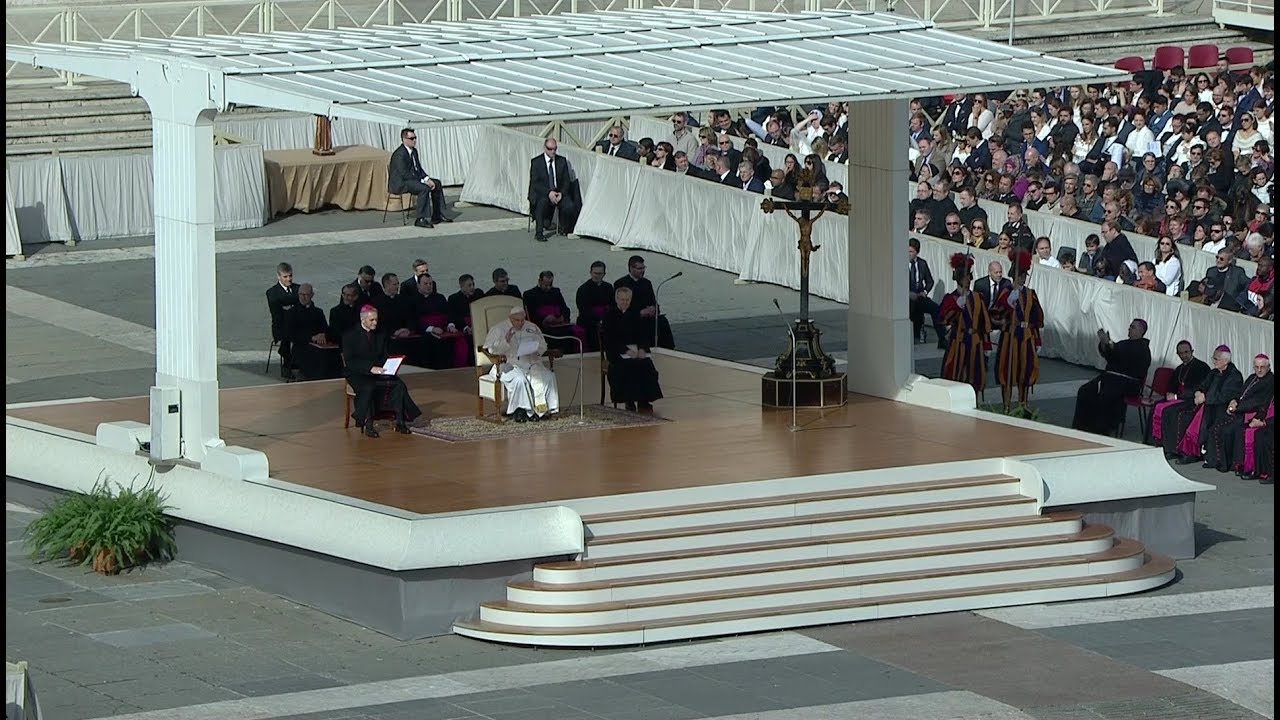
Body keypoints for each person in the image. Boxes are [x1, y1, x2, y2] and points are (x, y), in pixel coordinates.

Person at [342, 305, 422, 437]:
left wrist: (390, 365)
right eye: (371, 320)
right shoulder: (350, 335)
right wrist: (369, 368)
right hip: (358, 372)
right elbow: (350, 361)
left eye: (376, 320)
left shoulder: (381, 333)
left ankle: (400, 422)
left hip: (378, 370)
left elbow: (384, 355)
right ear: (363, 319)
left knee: (399, 385)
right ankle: (368, 425)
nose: (375, 323)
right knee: (368, 387)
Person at [1071, 319, 1153, 436]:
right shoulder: (1124, 343)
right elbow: (1111, 356)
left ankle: (1104, 429)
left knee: (1107, 394)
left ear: (1141, 331)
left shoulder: (1143, 349)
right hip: (1111, 378)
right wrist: (1105, 344)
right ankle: (1082, 426)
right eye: (1130, 326)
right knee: (1085, 390)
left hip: (1128, 382)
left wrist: (1110, 344)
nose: (1129, 329)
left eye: (1132, 327)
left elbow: (1124, 356)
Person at [482, 305, 560, 423]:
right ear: (510, 318)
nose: (520, 323)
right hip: (508, 365)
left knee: (548, 376)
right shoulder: (499, 329)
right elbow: (490, 350)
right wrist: (506, 341)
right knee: (519, 379)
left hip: (531, 363)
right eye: (516, 320)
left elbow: (543, 345)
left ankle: (543, 411)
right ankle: (521, 411)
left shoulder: (532, 327)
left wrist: (536, 349)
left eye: (522, 320)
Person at [1165, 345, 1243, 463]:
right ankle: (1174, 449)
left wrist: (1205, 397)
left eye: (1216, 359)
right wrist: (1198, 392)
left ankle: (1191, 453)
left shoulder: (1234, 375)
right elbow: (1202, 386)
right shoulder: (1213, 372)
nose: (1213, 361)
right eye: (1213, 358)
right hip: (1206, 404)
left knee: (1187, 417)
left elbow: (1225, 396)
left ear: (1226, 361)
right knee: (1175, 411)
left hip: (1219, 408)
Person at [991, 249, 1044, 410]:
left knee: (1025, 370)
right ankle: (1006, 404)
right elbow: (994, 315)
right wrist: (1008, 303)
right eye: (1019, 275)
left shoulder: (1030, 294)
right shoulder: (1006, 293)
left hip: (1026, 337)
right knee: (1006, 370)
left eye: (1023, 276)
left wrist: (1037, 339)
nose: (1021, 278)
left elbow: (1037, 319)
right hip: (1009, 336)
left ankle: (1023, 404)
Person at [1202, 354, 1274, 472]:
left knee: (1228, 430)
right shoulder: (1252, 378)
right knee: (1215, 426)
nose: (1259, 370)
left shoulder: (1270, 381)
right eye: (1256, 367)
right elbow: (1240, 392)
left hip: (1249, 414)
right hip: (1239, 410)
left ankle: (1231, 465)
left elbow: (1258, 401)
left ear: (1268, 367)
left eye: (1262, 367)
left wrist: (1237, 407)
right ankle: (1215, 460)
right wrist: (1234, 400)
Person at [939, 253, 992, 395]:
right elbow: (944, 320)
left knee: (975, 375)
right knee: (956, 373)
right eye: (964, 278)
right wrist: (956, 307)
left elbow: (984, 323)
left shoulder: (978, 297)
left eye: (968, 277)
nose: (967, 280)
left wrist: (987, 344)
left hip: (975, 342)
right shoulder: (951, 298)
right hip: (958, 342)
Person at [603, 287, 664, 411]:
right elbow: (610, 339)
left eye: (627, 299)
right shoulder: (609, 316)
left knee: (646, 365)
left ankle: (644, 400)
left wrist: (642, 349)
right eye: (622, 299)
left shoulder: (635, 313)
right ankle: (629, 400)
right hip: (617, 351)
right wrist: (626, 351)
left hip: (636, 350)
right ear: (616, 299)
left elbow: (642, 334)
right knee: (627, 366)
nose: (624, 302)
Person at [388, 128, 451, 229]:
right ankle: (420, 218)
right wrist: (422, 182)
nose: (414, 141)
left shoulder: (414, 151)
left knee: (437, 183)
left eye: (415, 138)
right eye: (411, 138)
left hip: (412, 179)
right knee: (423, 188)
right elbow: (404, 174)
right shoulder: (399, 154)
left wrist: (427, 178)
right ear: (404, 139)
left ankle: (437, 214)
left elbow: (418, 168)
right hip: (401, 183)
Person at [1151, 341, 1212, 446]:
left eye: (1186, 352)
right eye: (1180, 353)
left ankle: (1170, 446)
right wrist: (1170, 394)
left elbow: (1200, 388)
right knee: (1156, 406)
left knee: (1171, 412)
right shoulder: (1179, 369)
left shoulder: (1202, 367)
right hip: (1178, 398)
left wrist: (1176, 396)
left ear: (1192, 351)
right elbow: (1172, 386)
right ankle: (1154, 441)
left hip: (1191, 400)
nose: (1183, 355)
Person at [285, 283, 339, 381]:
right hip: (302, 347)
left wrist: (323, 335)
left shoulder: (318, 312)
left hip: (318, 346)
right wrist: (311, 338)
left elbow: (325, 328)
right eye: (301, 294)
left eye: (306, 295)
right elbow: (291, 335)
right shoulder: (291, 313)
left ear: (312, 295)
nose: (303, 297)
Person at [413, 274, 467, 369]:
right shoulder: (413, 300)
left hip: (444, 332)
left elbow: (449, 314)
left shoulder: (440, 298)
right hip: (425, 334)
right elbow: (414, 321)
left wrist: (450, 325)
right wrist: (432, 329)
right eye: (425, 283)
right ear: (418, 285)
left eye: (430, 283)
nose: (429, 286)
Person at [523, 270, 583, 354]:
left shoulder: (556, 292)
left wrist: (562, 317)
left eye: (550, 285)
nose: (548, 287)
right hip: (541, 326)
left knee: (573, 332)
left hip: (558, 324)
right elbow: (530, 314)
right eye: (545, 285)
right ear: (539, 281)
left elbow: (565, 308)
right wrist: (544, 319)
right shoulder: (529, 294)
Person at [528, 137, 576, 242]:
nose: (553, 151)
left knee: (569, 205)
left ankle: (565, 228)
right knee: (541, 203)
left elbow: (566, 181)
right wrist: (549, 193)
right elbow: (535, 183)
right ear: (545, 148)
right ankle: (539, 232)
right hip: (544, 192)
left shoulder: (561, 161)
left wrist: (561, 194)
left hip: (558, 192)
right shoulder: (536, 162)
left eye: (555, 149)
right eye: (550, 149)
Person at [907, 238, 945, 348]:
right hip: (906, 298)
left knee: (935, 309)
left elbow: (930, 281)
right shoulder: (900, 264)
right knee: (913, 311)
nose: (908, 254)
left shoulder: (922, 263)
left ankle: (942, 338)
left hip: (920, 296)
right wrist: (908, 293)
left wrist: (925, 291)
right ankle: (915, 337)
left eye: (911, 252)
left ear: (917, 252)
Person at [265, 262, 300, 380]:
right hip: (281, 326)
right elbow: (277, 313)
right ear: (278, 276)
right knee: (287, 335)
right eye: (285, 277)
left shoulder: (298, 288)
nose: (288, 279)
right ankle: (287, 366)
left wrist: (288, 306)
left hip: (297, 324)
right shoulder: (272, 292)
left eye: (290, 276)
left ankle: (302, 363)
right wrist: (294, 303)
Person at [614, 255, 659, 346]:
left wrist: (653, 309)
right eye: (639, 268)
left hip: (647, 317)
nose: (642, 271)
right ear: (631, 268)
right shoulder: (621, 283)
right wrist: (640, 312)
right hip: (630, 317)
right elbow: (619, 307)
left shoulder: (646, 283)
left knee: (662, 322)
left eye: (643, 268)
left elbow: (653, 301)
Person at [575, 261, 614, 352]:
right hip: (589, 323)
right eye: (595, 273)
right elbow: (583, 309)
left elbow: (613, 305)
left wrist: (605, 319)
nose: (597, 276)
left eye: (600, 273)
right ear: (590, 273)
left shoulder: (609, 288)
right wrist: (598, 320)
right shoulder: (583, 289)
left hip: (606, 320)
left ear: (604, 274)